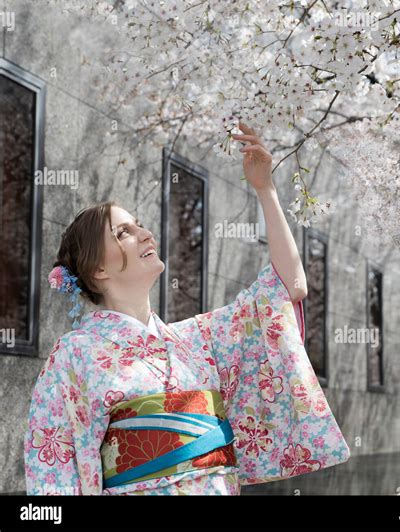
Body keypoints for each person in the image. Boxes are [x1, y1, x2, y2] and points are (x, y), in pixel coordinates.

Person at [24, 122, 350, 495]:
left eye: (140, 225)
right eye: (123, 232)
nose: (146, 234)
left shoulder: (198, 338)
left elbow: (289, 286)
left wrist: (265, 189)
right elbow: (53, 471)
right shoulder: (75, 354)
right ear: (98, 270)